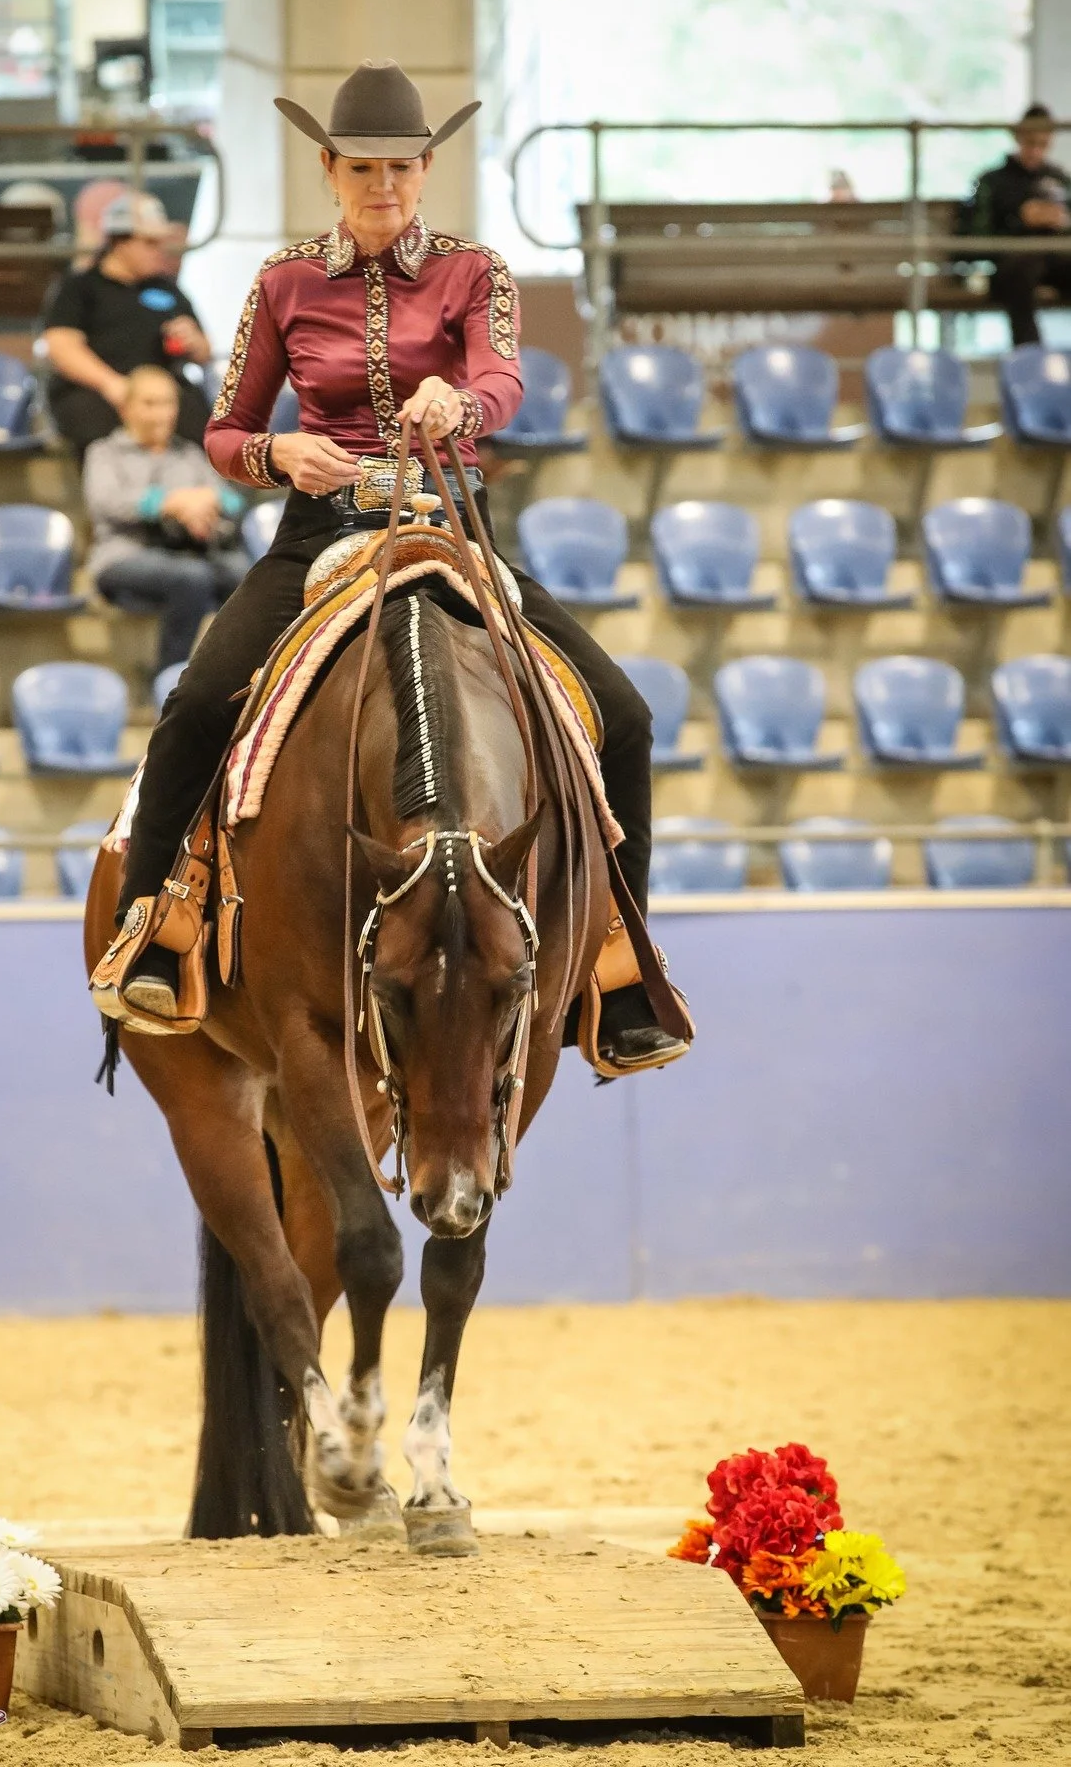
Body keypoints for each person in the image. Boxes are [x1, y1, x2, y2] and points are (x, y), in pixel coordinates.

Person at [95, 59, 678, 1075]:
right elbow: (225, 430)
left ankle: (617, 959)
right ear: (328, 167)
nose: (386, 187)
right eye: (364, 167)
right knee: (195, 704)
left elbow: (501, 374)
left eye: (404, 169)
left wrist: (462, 401)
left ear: (427, 168)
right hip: (317, 530)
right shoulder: (282, 281)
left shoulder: (475, 271)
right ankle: (155, 922)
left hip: (451, 523)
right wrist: (281, 455)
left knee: (621, 712)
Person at [84, 365, 249, 673]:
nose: (161, 413)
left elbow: (230, 500)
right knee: (191, 577)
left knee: (245, 573)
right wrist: (169, 503)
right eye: (150, 403)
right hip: (124, 557)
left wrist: (207, 506)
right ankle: (170, 678)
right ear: (126, 408)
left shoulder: (187, 453)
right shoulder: (105, 453)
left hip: (191, 552)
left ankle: (237, 674)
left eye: (168, 403)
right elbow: (105, 502)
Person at [42, 190, 212, 459]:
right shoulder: (81, 287)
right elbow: (61, 346)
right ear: (119, 242)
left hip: (162, 391)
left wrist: (193, 341)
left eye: (160, 242)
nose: (159, 251)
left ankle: (205, 496)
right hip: (100, 391)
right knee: (94, 429)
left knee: (203, 425)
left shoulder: (167, 288)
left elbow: (205, 352)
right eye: (149, 243)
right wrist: (112, 385)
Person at [970, 104, 1071, 347]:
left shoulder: (1059, 180)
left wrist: (1062, 222)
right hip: (1013, 260)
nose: (1035, 151)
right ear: (1018, 137)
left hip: (1055, 257)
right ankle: (1031, 356)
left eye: (1043, 144)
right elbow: (976, 235)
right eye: (1030, 142)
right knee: (1021, 273)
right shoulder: (993, 181)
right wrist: (1018, 220)